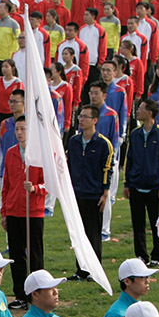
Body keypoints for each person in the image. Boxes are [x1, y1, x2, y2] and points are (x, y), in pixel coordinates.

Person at [0, 116, 47, 309]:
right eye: (17, 129)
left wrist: (36, 188)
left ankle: (38, 293)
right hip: (14, 211)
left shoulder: (40, 154)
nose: (19, 133)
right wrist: (4, 212)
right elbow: (6, 185)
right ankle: (20, 294)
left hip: (33, 211)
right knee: (16, 255)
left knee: (35, 254)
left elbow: (49, 183)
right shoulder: (11, 153)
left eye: (23, 129)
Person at [121, 99, 159, 268]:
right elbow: (129, 158)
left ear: (149, 113)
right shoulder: (135, 134)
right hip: (136, 185)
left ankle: (157, 256)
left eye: (141, 109)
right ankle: (141, 255)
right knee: (138, 223)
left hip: (154, 187)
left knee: (156, 223)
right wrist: (127, 182)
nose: (137, 111)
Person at [67, 105, 114, 273]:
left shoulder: (103, 144)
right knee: (78, 234)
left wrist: (105, 192)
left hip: (94, 194)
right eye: (80, 116)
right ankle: (80, 269)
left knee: (93, 233)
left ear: (94, 120)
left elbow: (107, 169)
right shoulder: (74, 141)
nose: (81, 120)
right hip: (77, 193)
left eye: (85, 117)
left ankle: (94, 269)